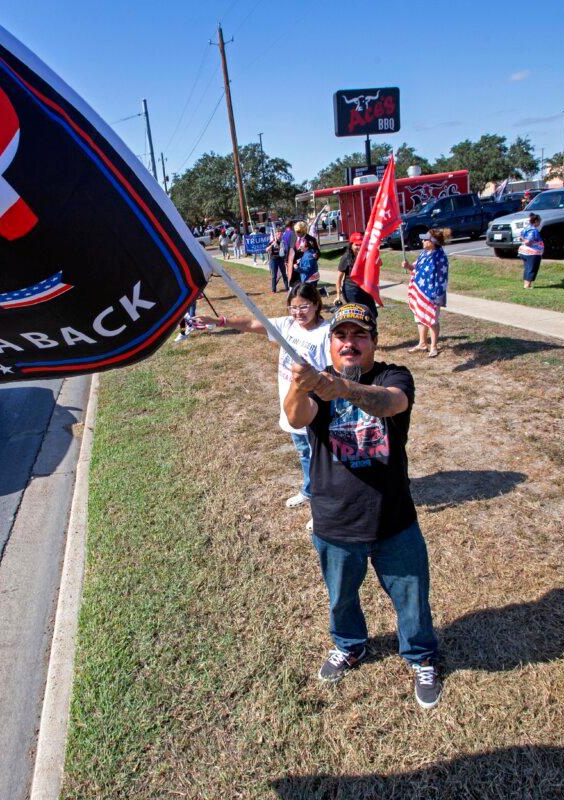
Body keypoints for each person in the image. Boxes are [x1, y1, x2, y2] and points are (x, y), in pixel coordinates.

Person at [283, 303, 441, 710]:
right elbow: (296, 417)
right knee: (341, 597)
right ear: (331, 342)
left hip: (393, 516)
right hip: (335, 519)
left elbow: (391, 403)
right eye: (342, 336)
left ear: (373, 341)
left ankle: (421, 656)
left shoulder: (394, 375)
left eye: (359, 336)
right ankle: (350, 645)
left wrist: (346, 390)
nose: (350, 344)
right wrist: (301, 385)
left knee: (411, 595)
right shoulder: (318, 380)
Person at [192, 284, 331, 524]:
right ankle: (309, 491)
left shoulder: (326, 332)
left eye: (304, 307)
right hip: (290, 406)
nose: (298, 313)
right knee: (304, 453)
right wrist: (220, 321)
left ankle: (323, 509)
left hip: (314, 410)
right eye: (293, 307)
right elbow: (253, 324)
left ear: (317, 304)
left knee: (322, 459)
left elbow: (335, 372)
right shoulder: (287, 325)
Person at [402, 228, 450, 356]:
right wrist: (408, 266)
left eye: (425, 239)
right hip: (419, 290)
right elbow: (416, 268)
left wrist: (438, 296)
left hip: (431, 294)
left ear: (432, 242)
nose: (422, 241)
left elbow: (442, 278)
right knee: (419, 317)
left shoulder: (440, 257)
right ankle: (422, 343)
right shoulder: (424, 253)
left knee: (432, 319)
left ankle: (433, 346)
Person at [336, 232, 378, 318]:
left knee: (373, 313)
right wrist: (338, 295)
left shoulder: (366, 255)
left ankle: (371, 330)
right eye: (356, 245)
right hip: (351, 290)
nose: (359, 247)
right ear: (351, 245)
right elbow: (339, 278)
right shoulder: (346, 258)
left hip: (365, 288)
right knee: (357, 315)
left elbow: (378, 264)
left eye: (361, 244)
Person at [288, 221, 320, 288]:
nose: (297, 233)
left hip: (305, 268)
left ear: (303, 231)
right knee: (295, 287)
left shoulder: (311, 240)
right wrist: (286, 261)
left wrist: (316, 255)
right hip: (294, 267)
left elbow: (317, 252)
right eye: (295, 231)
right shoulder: (293, 238)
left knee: (305, 288)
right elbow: (289, 250)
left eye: (298, 232)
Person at [518, 213, 544, 289]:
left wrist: (523, 240)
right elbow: (528, 242)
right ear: (536, 221)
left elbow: (520, 237)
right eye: (539, 221)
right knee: (532, 268)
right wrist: (528, 241)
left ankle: (525, 284)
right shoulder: (533, 230)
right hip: (532, 252)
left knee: (527, 268)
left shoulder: (526, 228)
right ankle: (527, 285)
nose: (539, 223)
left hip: (523, 251)